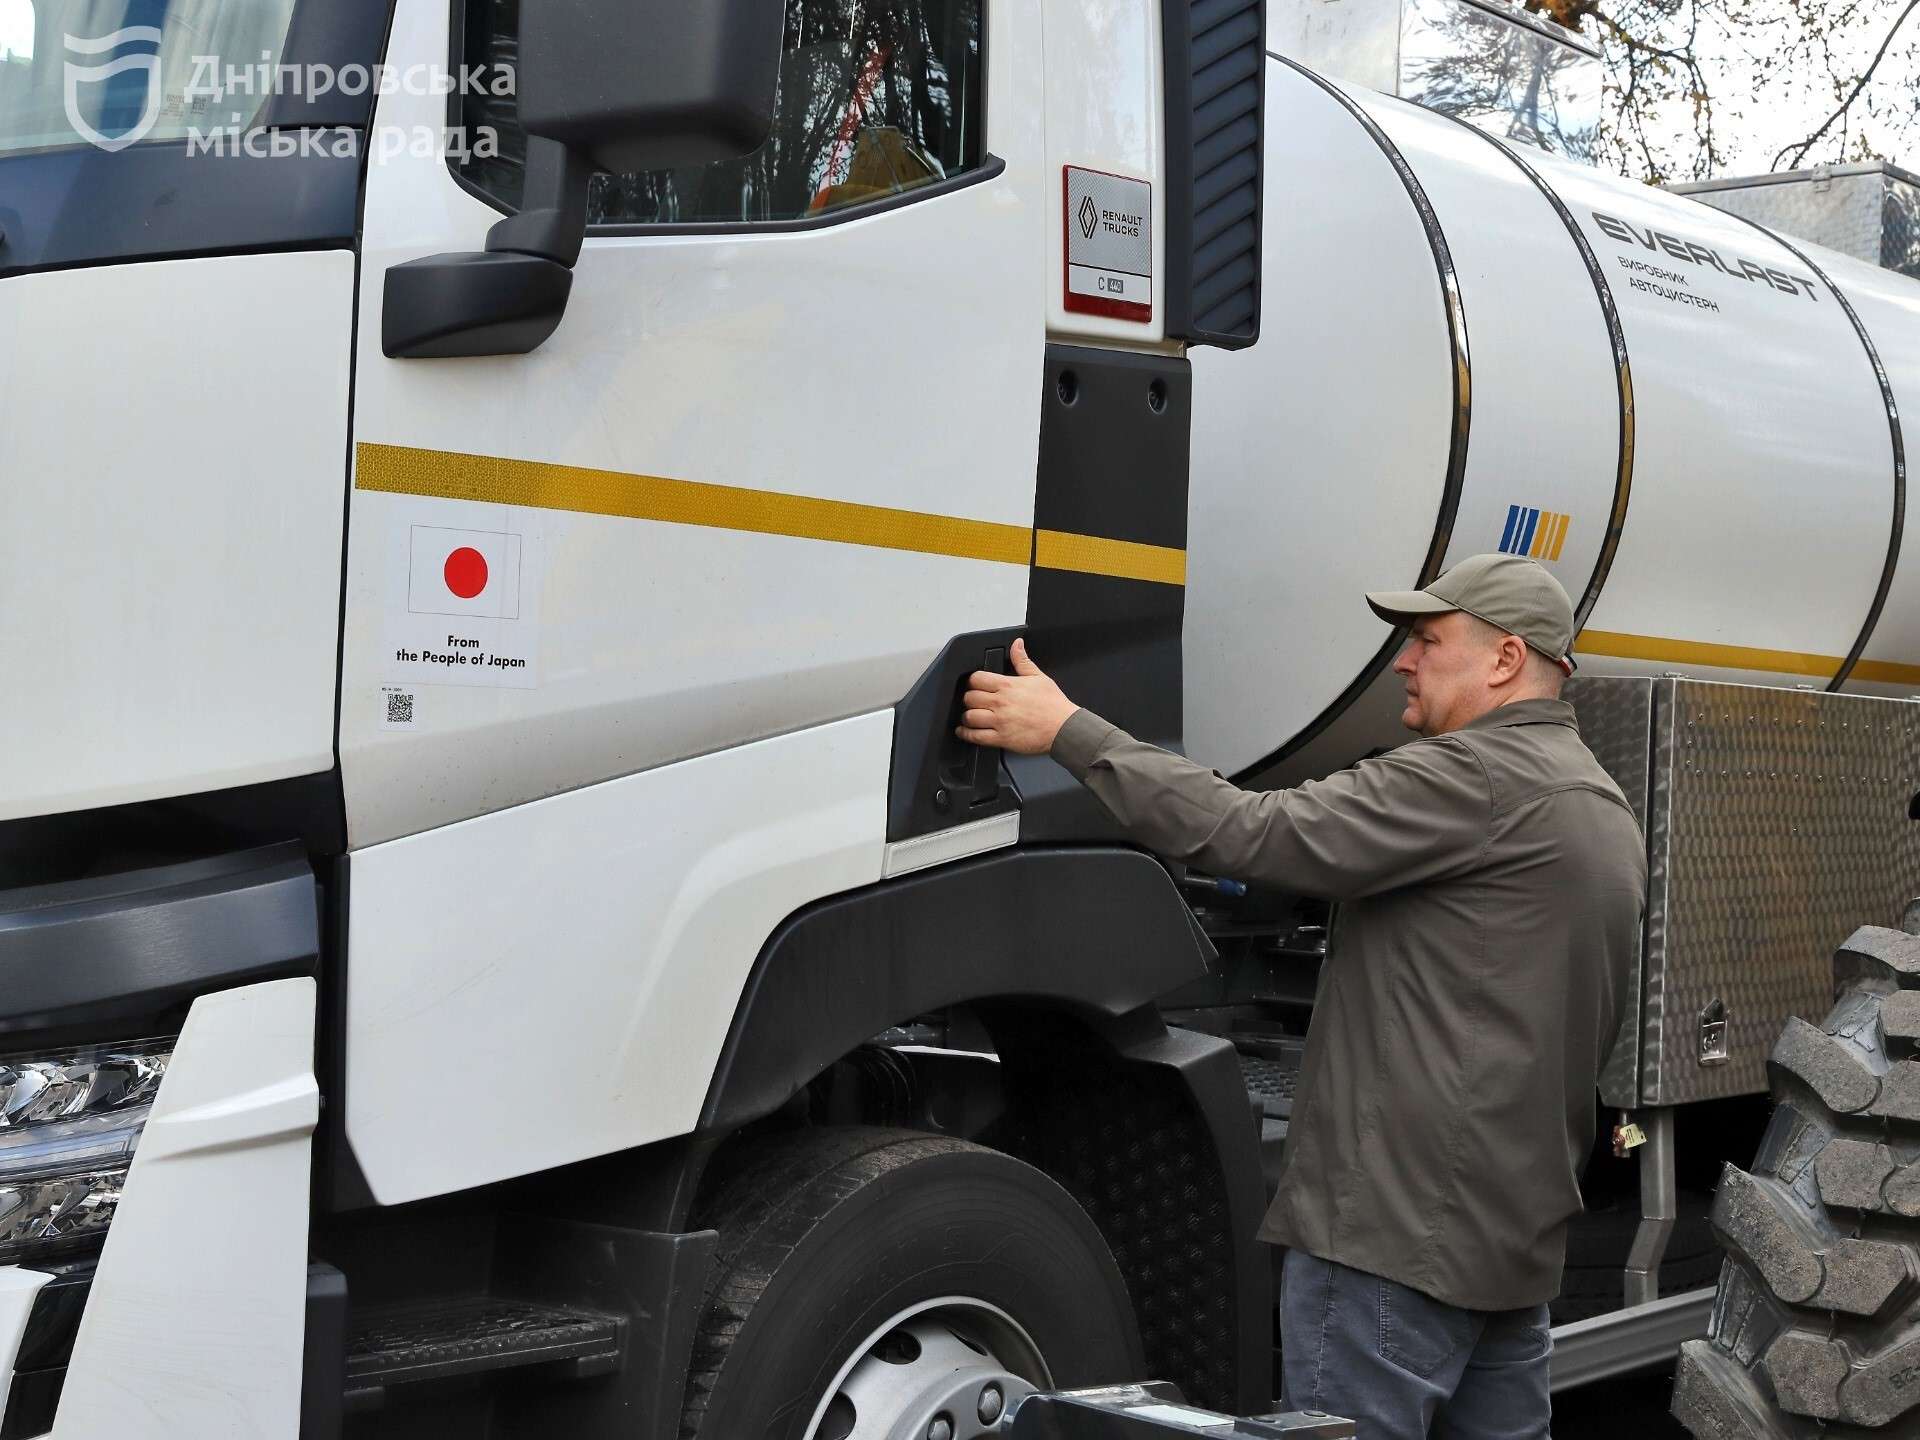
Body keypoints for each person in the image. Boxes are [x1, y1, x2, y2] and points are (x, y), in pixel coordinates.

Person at [954, 553, 1647, 1440]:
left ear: (1506, 660)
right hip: (1510, 1254)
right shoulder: (1599, 803)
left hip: (1391, 1248)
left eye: (1428, 640)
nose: (1403, 660)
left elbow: (1247, 831)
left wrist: (1069, 731)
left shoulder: (1469, 778)